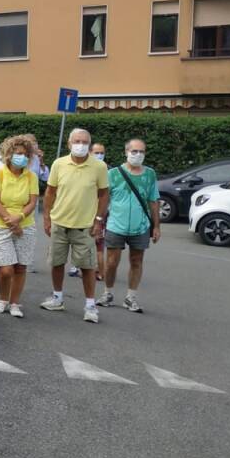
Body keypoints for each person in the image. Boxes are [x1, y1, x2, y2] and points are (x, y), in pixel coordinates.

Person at [39, 128, 110, 323]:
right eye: (77, 141)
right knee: (56, 263)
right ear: (69, 144)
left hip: (85, 227)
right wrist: (47, 218)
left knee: (88, 267)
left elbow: (104, 194)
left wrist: (98, 220)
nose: (81, 145)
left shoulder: (99, 167)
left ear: (89, 144)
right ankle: (57, 297)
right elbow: (50, 192)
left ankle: (90, 305)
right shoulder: (59, 164)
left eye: (85, 142)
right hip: (59, 223)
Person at [100, 138, 160, 313]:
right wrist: (97, 221)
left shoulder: (150, 174)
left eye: (141, 151)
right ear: (126, 152)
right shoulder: (113, 174)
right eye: (134, 151)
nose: (138, 155)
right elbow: (104, 199)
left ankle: (130, 297)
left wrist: (156, 226)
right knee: (111, 262)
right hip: (115, 225)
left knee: (137, 261)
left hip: (140, 226)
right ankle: (107, 293)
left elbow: (153, 200)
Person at [0, 136, 39, 318]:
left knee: (20, 267)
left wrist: (20, 217)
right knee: (6, 269)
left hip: (26, 225)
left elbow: (33, 201)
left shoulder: (31, 176)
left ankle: (15, 302)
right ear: (9, 155)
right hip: (0, 225)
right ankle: (2, 299)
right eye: (18, 154)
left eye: (25, 154)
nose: (22, 157)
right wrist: (11, 221)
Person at [70, 141, 108, 278]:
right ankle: (77, 267)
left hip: (99, 213)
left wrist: (100, 215)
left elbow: (106, 195)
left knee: (98, 244)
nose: (99, 155)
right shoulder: (84, 169)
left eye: (102, 153)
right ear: (90, 153)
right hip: (81, 213)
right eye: (97, 152)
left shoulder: (105, 170)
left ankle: (99, 273)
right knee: (80, 242)